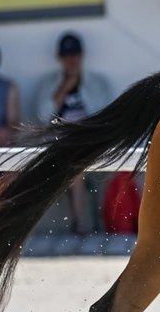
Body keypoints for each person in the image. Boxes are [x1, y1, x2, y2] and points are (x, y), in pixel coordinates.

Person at [32, 31, 114, 234]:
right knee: (75, 169)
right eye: (67, 55)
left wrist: (81, 86)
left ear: (82, 55)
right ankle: (83, 226)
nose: (72, 60)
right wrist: (64, 88)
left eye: (75, 54)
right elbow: (43, 117)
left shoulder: (96, 83)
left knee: (75, 168)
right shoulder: (48, 83)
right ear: (60, 58)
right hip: (60, 142)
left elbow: (104, 116)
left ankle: (82, 226)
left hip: (88, 141)